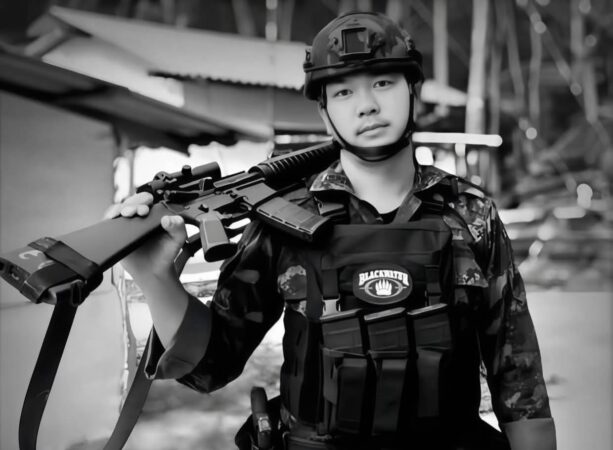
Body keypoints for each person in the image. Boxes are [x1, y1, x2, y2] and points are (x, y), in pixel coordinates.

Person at [107, 11, 556, 450]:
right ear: (324, 113)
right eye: (343, 92)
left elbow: (517, 375)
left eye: (383, 83)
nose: (367, 105)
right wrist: (155, 276)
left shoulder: (471, 213)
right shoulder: (285, 219)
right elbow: (211, 365)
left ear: (413, 90)